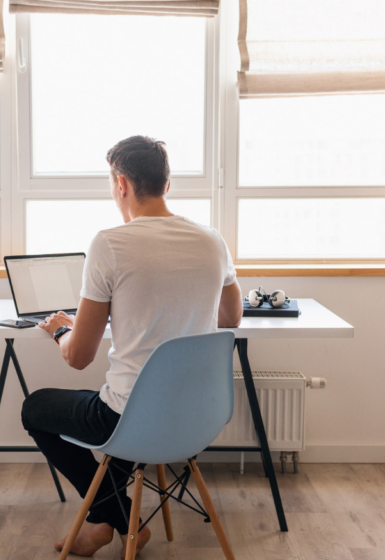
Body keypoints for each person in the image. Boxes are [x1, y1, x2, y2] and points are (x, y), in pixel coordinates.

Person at [21, 135, 243, 557]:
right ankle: (108, 522)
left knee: (36, 408)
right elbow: (232, 317)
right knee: (131, 410)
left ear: (121, 184)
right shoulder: (213, 240)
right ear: (167, 184)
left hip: (130, 419)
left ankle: (119, 520)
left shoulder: (110, 244)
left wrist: (61, 331)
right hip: (198, 417)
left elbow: (78, 357)